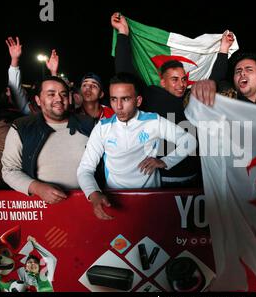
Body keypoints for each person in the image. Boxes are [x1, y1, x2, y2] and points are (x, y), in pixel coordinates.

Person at [112, 12, 233, 187]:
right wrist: (123, 33)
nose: (181, 84)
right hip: (161, 181)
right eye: (174, 79)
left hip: (195, 179)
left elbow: (214, 80)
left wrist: (223, 49)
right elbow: (124, 73)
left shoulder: (193, 97)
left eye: (184, 79)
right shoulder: (151, 96)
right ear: (162, 82)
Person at [77, 73, 197, 220]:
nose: (118, 106)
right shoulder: (102, 127)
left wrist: (166, 161)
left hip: (151, 199)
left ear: (138, 100)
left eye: (125, 99)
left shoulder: (153, 121)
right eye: (114, 99)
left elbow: (189, 141)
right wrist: (93, 193)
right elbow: (85, 169)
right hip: (114, 200)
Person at [1, 76, 95, 204]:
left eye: (63, 94)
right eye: (51, 94)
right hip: (42, 207)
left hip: (87, 204)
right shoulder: (22, 127)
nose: (59, 99)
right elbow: (9, 170)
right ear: (38, 100)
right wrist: (37, 188)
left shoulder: (89, 125)